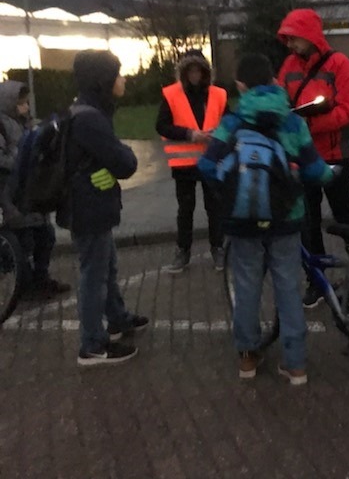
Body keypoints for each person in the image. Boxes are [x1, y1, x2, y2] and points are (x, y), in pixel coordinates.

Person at [198, 53, 333, 382]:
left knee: (246, 288)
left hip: (243, 222)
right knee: (288, 287)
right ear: (274, 81)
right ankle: (295, 363)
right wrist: (321, 175)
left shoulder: (231, 122)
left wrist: (231, 189)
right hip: (287, 219)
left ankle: (247, 359)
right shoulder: (292, 122)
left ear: (241, 85)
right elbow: (316, 171)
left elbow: (205, 166)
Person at [55, 50, 148, 367]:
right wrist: (123, 153)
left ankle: (118, 319)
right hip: (88, 207)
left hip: (90, 205)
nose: (123, 79)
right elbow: (125, 163)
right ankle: (92, 345)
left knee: (105, 267)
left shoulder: (85, 111)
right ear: (102, 80)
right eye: (118, 74)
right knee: (94, 275)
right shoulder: (91, 119)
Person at [276, 8, 349, 308]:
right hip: (302, 158)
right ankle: (316, 280)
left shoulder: (339, 64)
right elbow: (280, 98)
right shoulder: (288, 65)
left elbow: (348, 110)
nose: (290, 45)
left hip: (334, 156)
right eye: (287, 38)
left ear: (310, 35)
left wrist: (307, 123)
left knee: (345, 218)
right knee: (307, 223)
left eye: (294, 38)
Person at [156, 49, 228, 273]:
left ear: (205, 71)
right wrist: (190, 134)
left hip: (211, 160)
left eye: (199, 70)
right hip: (184, 164)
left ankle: (218, 248)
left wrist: (219, 133)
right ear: (184, 72)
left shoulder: (219, 94)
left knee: (214, 207)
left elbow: (229, 122)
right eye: (191, 70)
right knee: (185, 209)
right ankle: (183, 251)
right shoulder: (171, 94)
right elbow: (162, 125)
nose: (195, 75)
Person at [0, 82, 69, 299]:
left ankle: (41, 278)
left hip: (33, 188)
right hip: (12, 191)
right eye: (21, 103)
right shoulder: (2, 125)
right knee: (24, 239)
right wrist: (24, 156)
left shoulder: (28, 124)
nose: (25, 107)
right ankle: (25, 284)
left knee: (45, 235)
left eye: (26, 102)